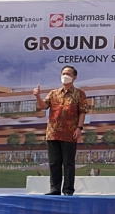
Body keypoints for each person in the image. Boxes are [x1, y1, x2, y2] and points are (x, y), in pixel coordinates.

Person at [34, 65, 88, 196]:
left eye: (68, 74)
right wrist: (37, 96)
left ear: (74, 77)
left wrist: (79, 128)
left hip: (70, 133)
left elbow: (82, 112)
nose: (65, 76)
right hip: (53, 132)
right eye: (63, 73)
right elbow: (43, 106)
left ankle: (68, 190)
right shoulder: (54, 93)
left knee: (68, 163)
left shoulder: (79, 93)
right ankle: (55, 189)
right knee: (54, 163)